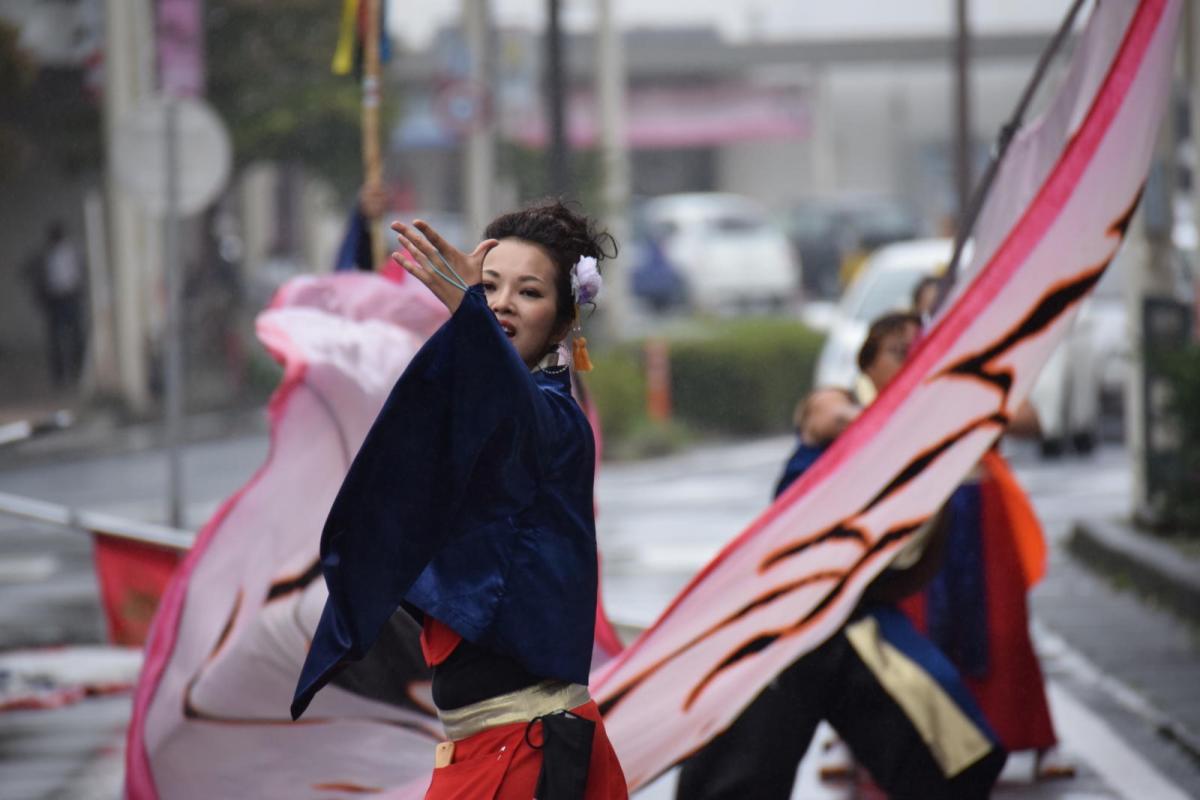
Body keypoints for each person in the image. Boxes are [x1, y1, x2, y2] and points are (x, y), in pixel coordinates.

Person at [291, 199, 628, 799]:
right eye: (489, 285)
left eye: (528, 292)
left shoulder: (556, 421)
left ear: (564, 320)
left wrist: (469, 312)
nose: (500, 303)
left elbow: (513, 410)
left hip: (527, 751)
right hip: (495, 749)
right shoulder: (483, 405)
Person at [676, 311, 1007, 800]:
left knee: (959, 756)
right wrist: (915, 423)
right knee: (735, 775)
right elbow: (833, 419)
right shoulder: (838, 405)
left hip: (852, 620)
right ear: (868, 363)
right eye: (898, 352)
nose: (910, 362)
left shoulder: (927, 436)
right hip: (785, 619)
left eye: (921, 353)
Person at [37, 222, 86, 387]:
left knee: (76, 336)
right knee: (55, 340)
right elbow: (44, 279)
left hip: (70, 297)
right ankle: (58, 377)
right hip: (55, 300)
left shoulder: (70, 252)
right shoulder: (47, 255)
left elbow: (78, 273)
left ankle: (77, 371)